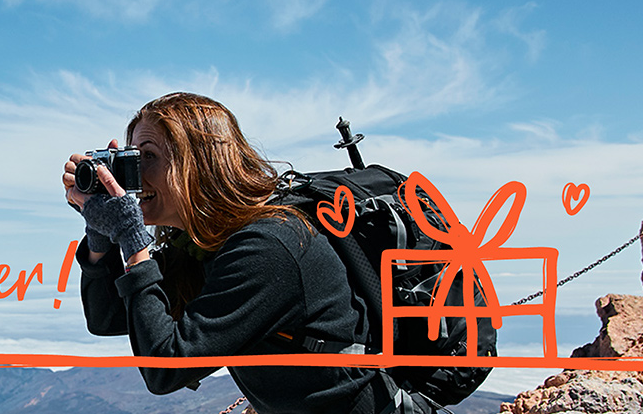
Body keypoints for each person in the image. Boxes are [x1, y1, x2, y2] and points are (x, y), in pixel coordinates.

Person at [65, 92, 407, 414]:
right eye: (131, 159)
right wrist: (100, 238)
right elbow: (107, 320)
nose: (134, 177)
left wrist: (132, 239)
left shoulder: (267, 245)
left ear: (198, 164)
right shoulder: (202, 246)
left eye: (148, 157)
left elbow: (165, 369)